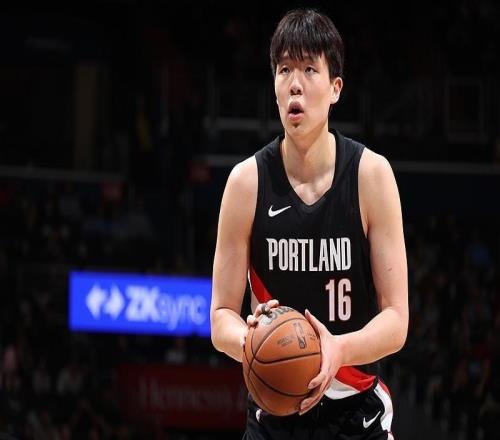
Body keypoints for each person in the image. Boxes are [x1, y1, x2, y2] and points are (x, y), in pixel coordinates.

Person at [210, 8, 408, 440]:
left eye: (308, 69)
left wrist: (338, 350)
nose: (294, 83)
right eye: (284, 70)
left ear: (336, 88)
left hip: (355, 409)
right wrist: (250, 339)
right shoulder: (245, 183)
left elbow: (396, 320)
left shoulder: (371, 176)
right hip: (274, 416)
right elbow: (221, 317)